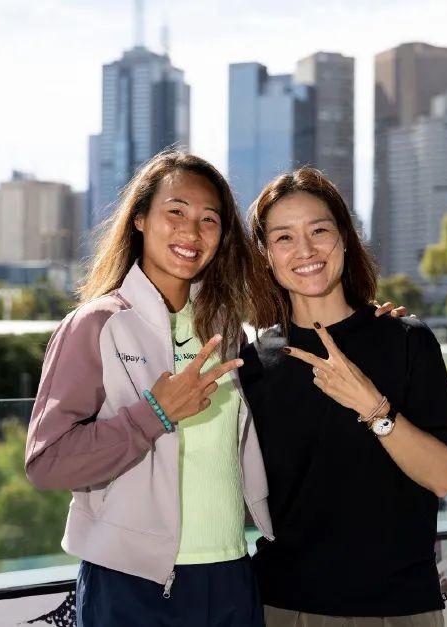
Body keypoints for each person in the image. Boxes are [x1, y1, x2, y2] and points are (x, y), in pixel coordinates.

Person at [24, 151, 274, 627]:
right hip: (132, 584)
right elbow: (46, 462)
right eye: (175, 212)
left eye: (209, 220)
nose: (192, 232)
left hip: (230, 575)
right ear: (139, 218)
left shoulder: (228, 332)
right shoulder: (96, 325)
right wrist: (153, 414)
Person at [240, 167, 447, 627]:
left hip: (397, 608)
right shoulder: (254, 362)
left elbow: (443, 477)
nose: (305, 250)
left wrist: (374, 407)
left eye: (319, 230)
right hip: (284, 605)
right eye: (283, 238)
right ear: (265, 256)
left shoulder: (406, 340)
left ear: (345, 237)